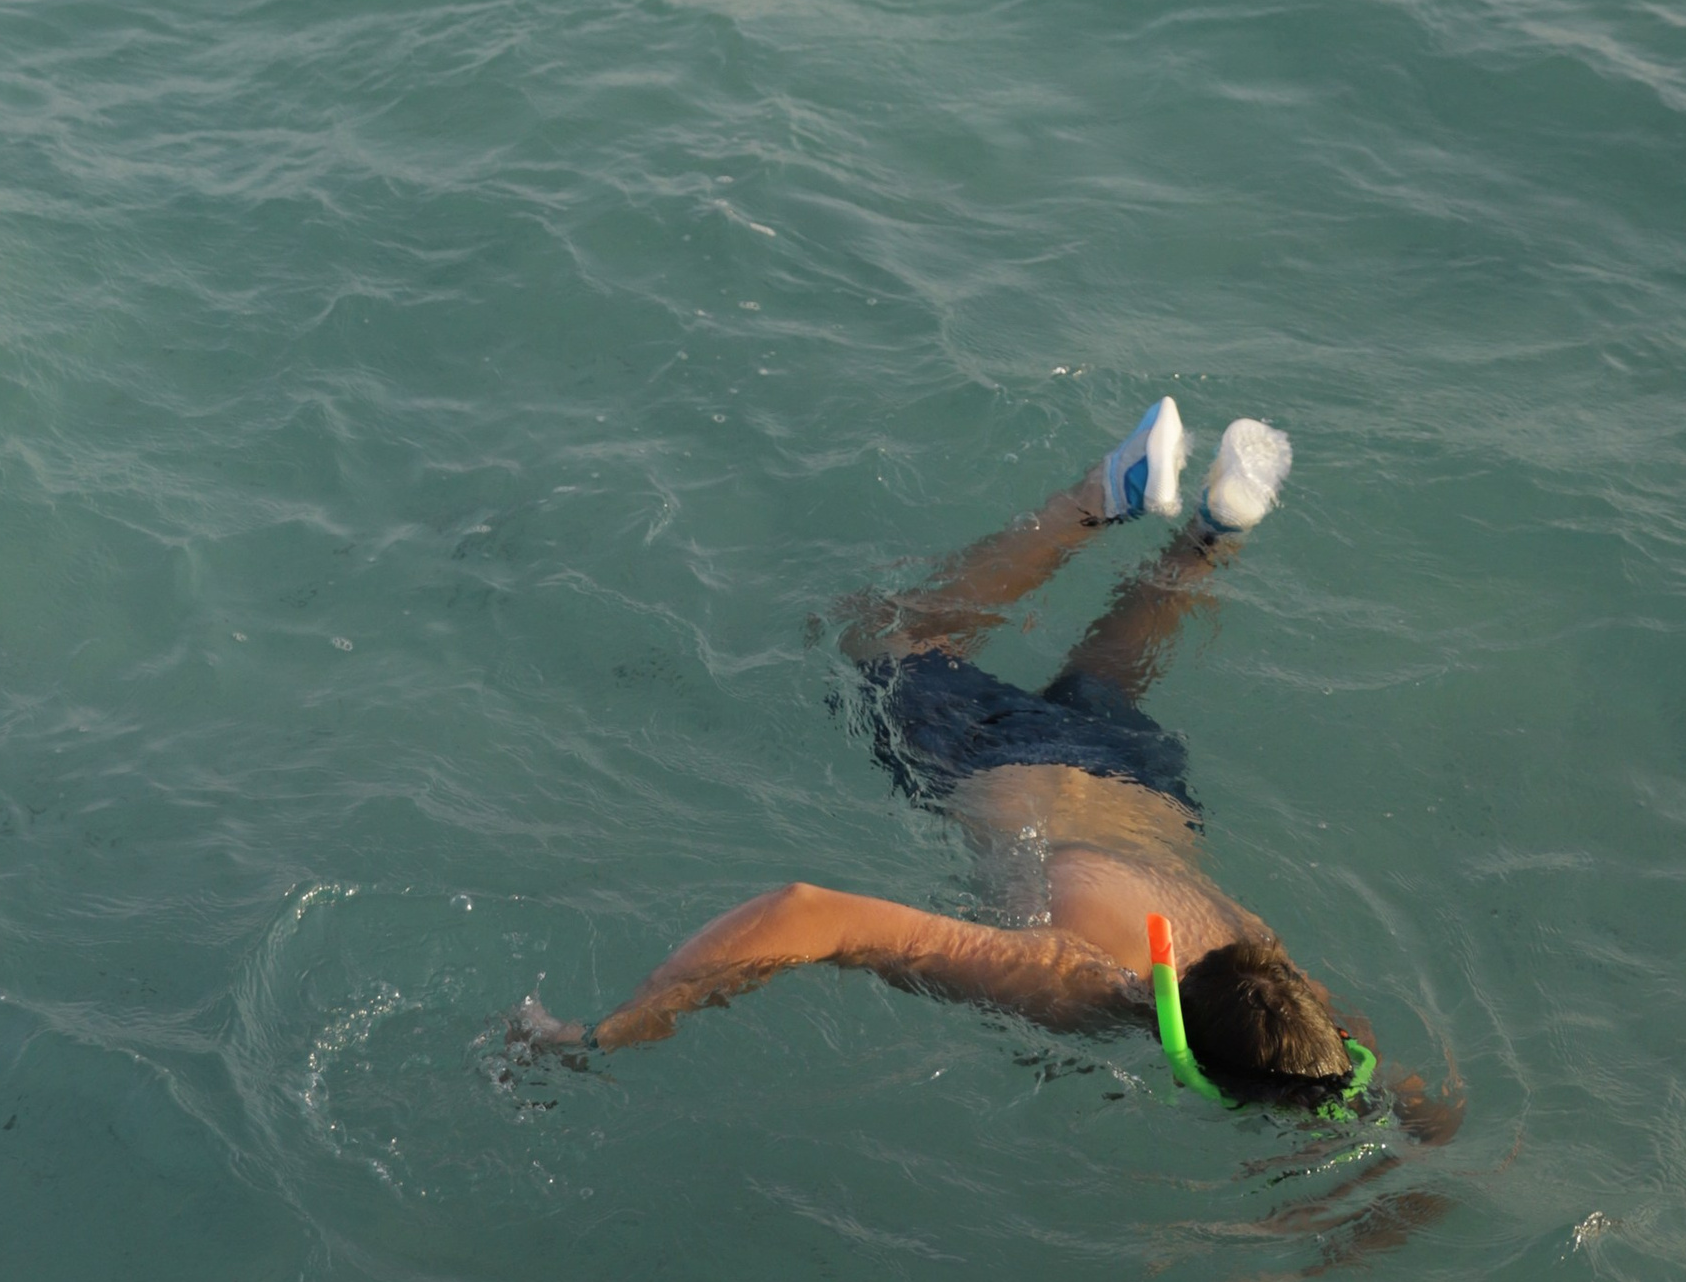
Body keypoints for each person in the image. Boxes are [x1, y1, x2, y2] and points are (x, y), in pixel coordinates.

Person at [513, 402, 1462, 1139]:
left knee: (1099, 675)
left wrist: (1410, 1141)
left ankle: (1215, 529)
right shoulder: (1077, 982)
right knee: (887, 636)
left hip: (1139, 780)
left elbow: (1403, 1091)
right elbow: (806, 911)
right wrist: (621, 1028)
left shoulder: (1267, 967)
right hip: (999, 763)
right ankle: (1103, 496)